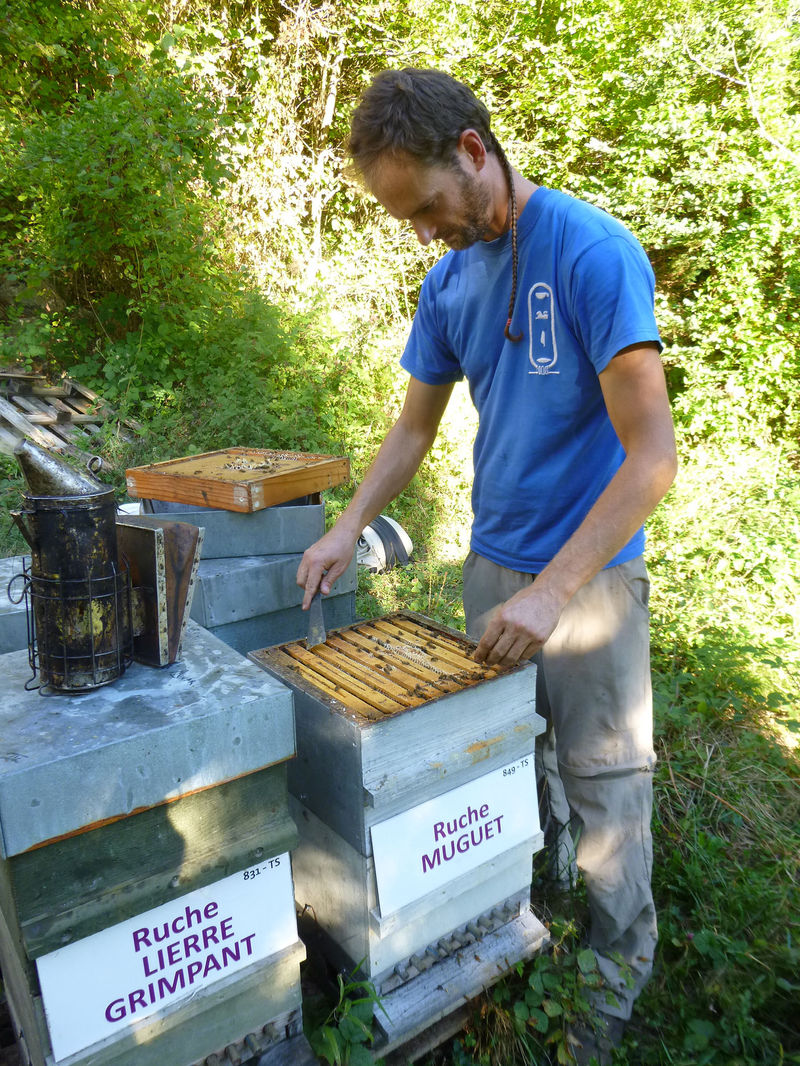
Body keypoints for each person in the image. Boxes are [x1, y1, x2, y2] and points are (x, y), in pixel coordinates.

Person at [296, 68, 677, 1064]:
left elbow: (651, 458)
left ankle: (604, 1000)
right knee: (510, 771)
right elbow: (412, 427)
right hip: (491, 569)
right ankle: (526, 932)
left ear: (472, 150)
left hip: (586, 586)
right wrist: (349, 525)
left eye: (425, 207)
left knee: (605, 792)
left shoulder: (591, 254)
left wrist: (557, 589)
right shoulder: (446, 282)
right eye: (404, 219)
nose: (423, 231)